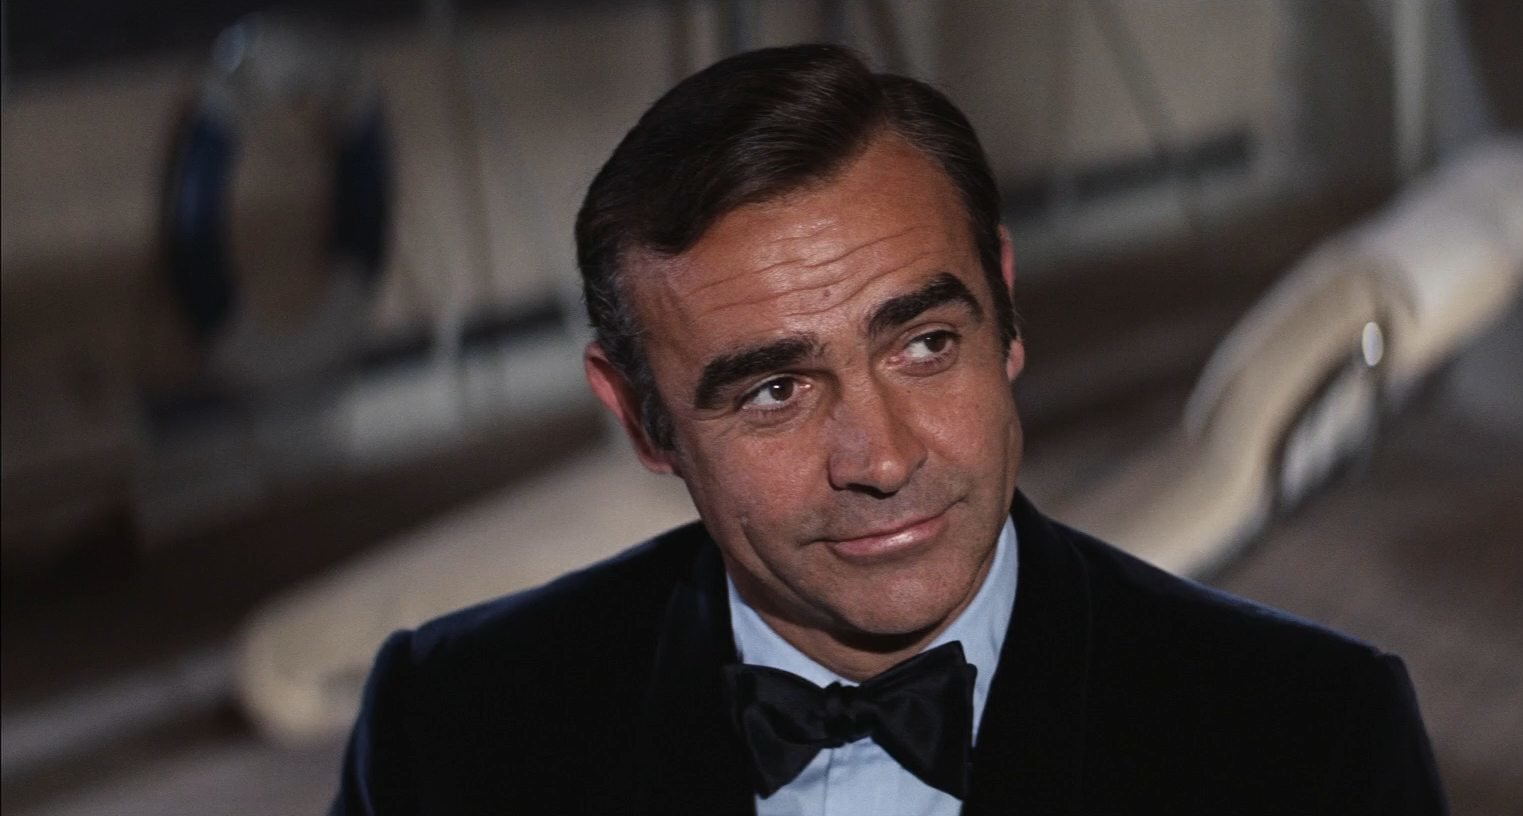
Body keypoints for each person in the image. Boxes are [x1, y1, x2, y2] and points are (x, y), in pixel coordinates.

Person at [332, 43, 1446, 815]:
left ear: (1005, 310)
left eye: (924, 344)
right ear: (642, 419)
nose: (884, 458)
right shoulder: (451, 728)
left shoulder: (1311, 741)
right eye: (775, 392)